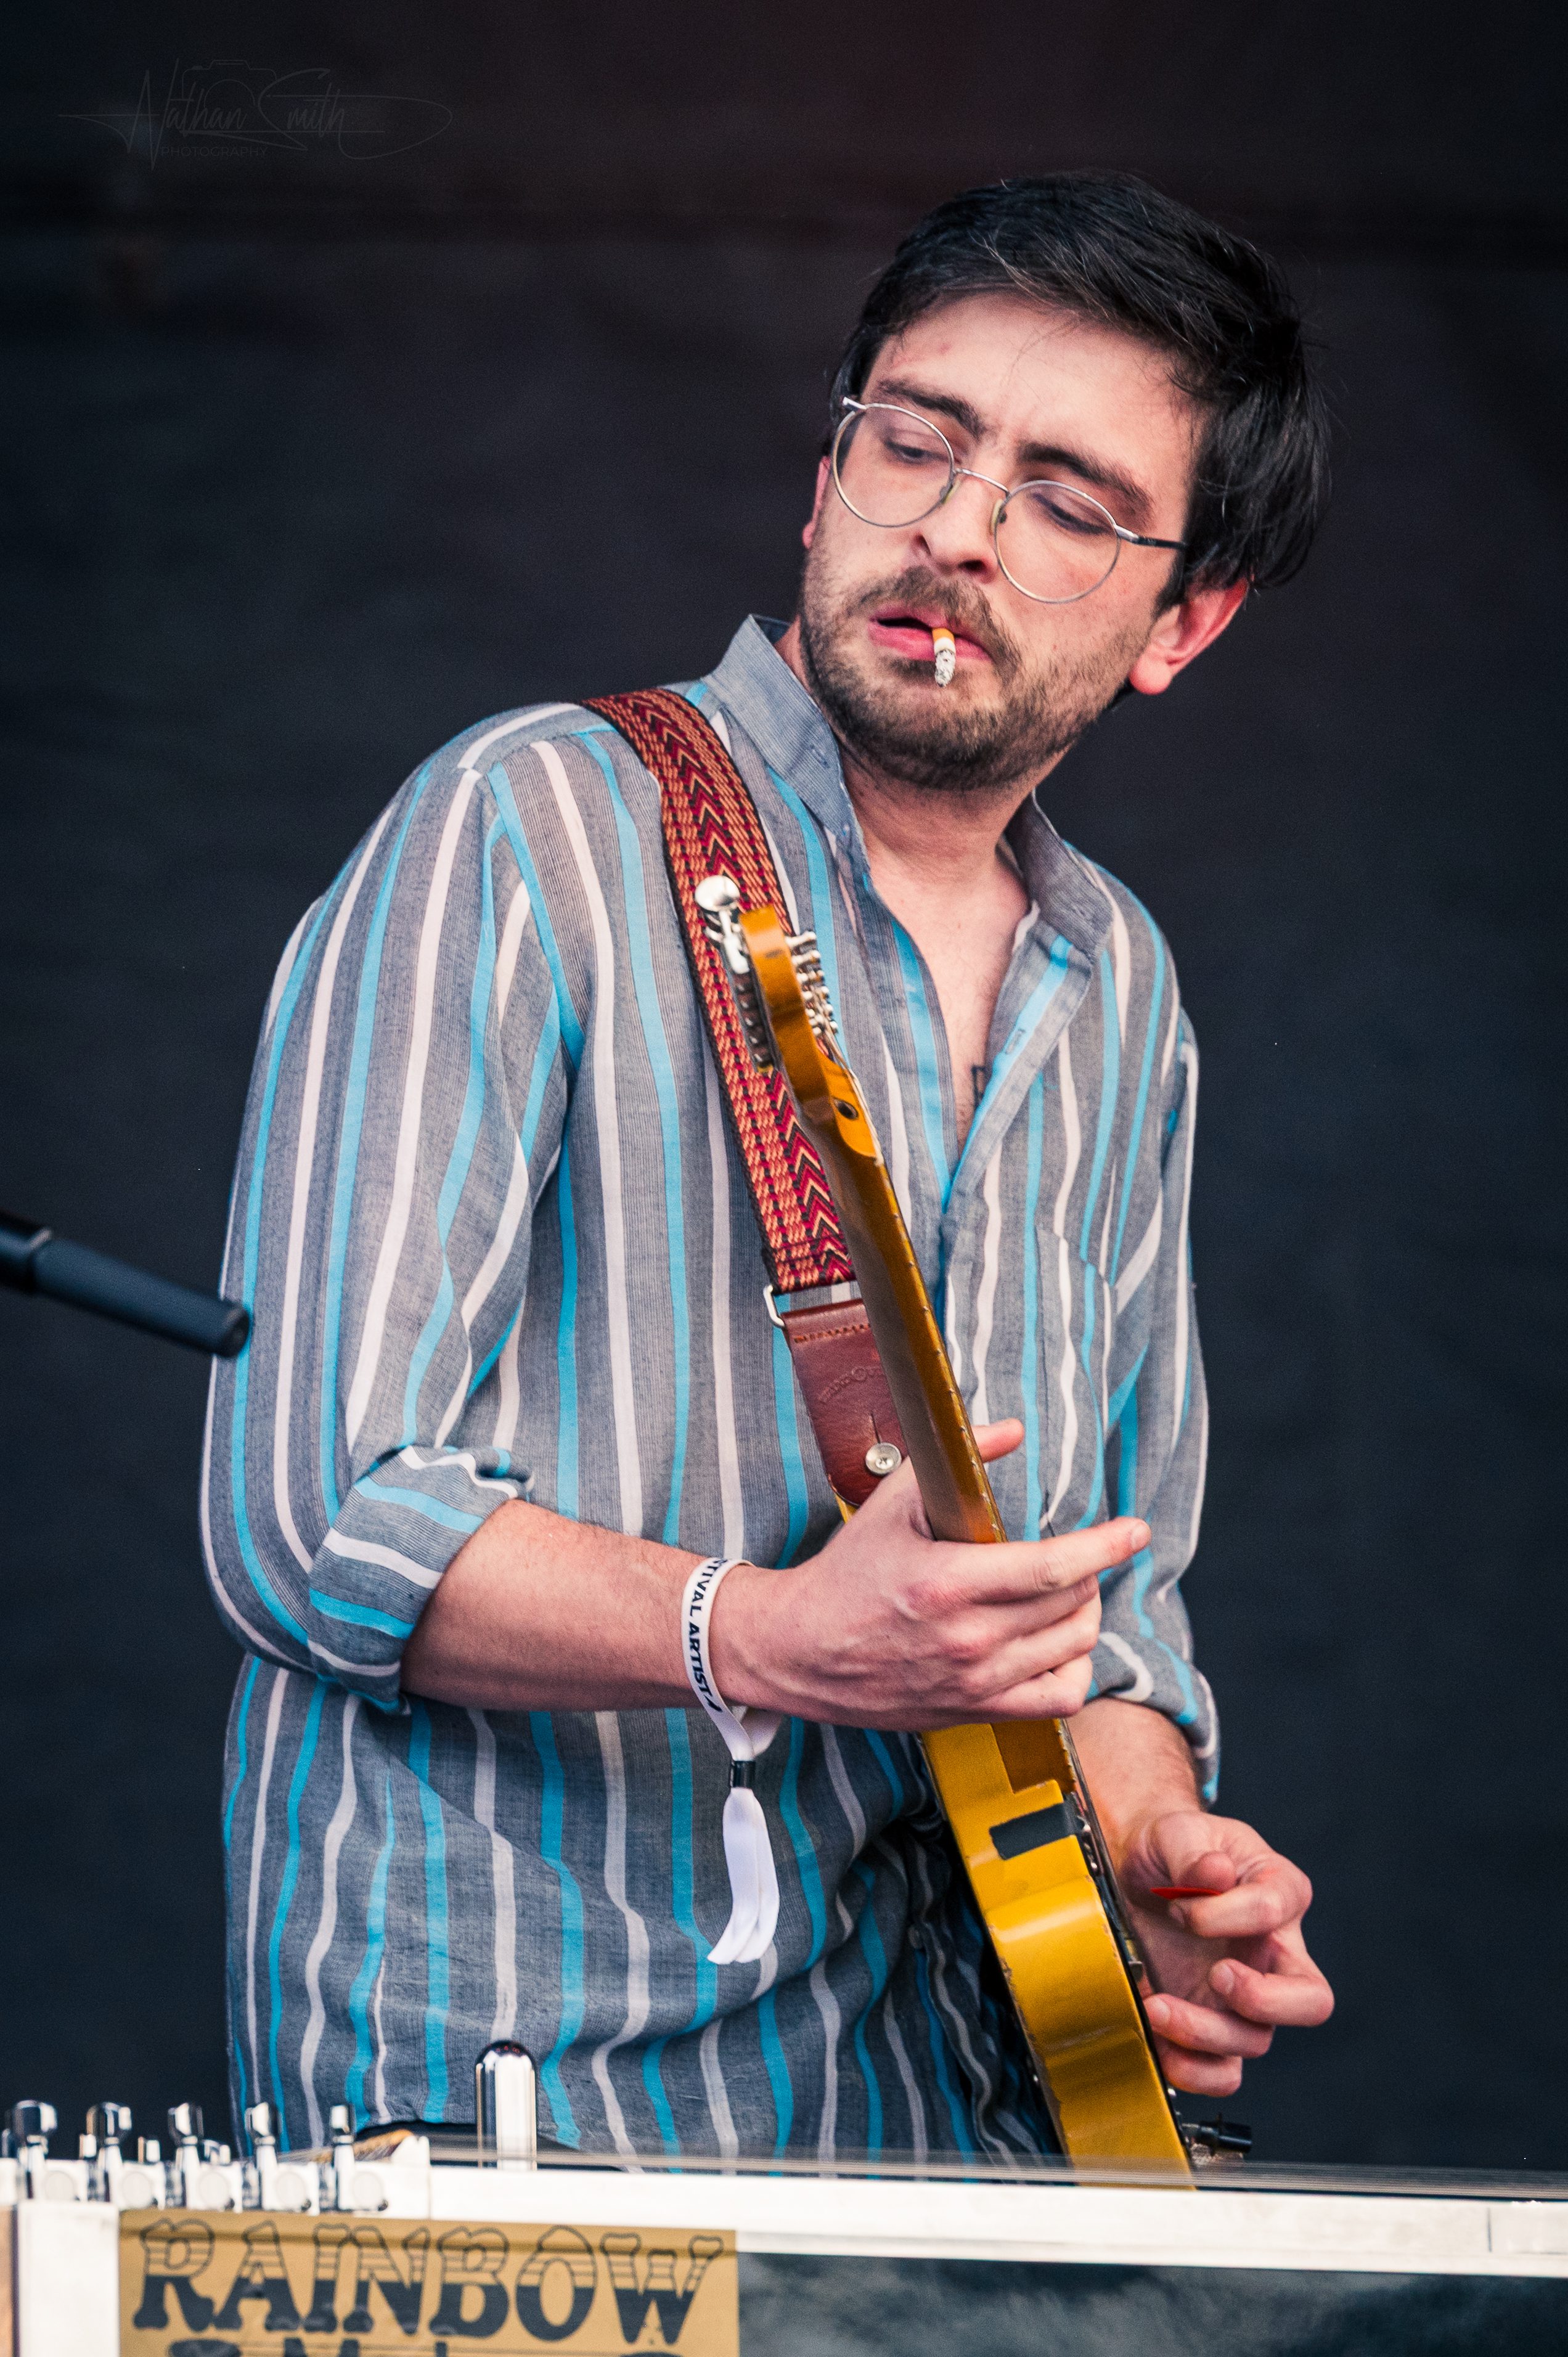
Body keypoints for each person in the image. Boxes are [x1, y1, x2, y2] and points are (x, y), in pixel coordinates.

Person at [203, 171, 1334, 2160]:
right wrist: (771, 1635)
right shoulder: (528, 828)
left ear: (1187, 621)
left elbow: (1106, 1606)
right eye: (916, 439)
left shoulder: (1123, 989)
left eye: (1068, 499)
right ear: (828, 481)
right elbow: (308, 1520)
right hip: (532, 2117)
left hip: (964, 2122)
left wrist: (1154, 1844)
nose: (959, 526)